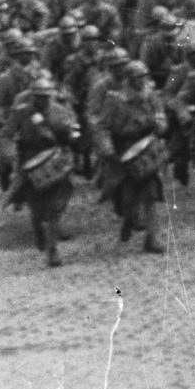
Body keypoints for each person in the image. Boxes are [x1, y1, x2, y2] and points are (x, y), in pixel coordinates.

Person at [95, 60, 167, 253]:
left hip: (147, 146)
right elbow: (102, 126)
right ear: (129, 79)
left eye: (144, 77)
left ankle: (153, 238)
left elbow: (161, 115)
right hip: (124, 150)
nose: (141, 81)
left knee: (151, 194)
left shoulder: (151, 96)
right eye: (137, 78)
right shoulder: (115, 99)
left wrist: (161, 125)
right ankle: (129, 218)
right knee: (128, 197)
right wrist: (107, 148)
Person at [10, 73, 81, 267]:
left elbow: (74, 130)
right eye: (38, 96)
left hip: (56, 161)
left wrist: (72, 137)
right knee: (35, 207)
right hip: (30, 160)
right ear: (31, 96)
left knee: (54, 208)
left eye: (45, 96)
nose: (42, 100)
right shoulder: (21, 112)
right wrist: (9, 152)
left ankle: (52, 249)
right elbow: (7, 133)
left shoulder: (61, 111)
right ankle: (37, 229)